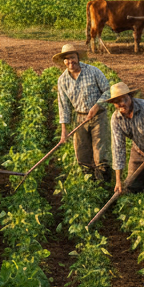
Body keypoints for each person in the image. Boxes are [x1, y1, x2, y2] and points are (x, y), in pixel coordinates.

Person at [54, 42, 112, 183]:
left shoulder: (93, 71)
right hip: (79, 118)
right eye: (66, 59)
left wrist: (97, 106)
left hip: (98, 116)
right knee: (82, 154)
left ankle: (104, 186)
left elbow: (108, 91)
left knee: (100, 153)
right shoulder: (62, 80)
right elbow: (63, 106)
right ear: (64, 61)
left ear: (78, 57)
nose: (70, 61)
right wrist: (64, 131)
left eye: (72, 57)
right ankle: (89, 186)